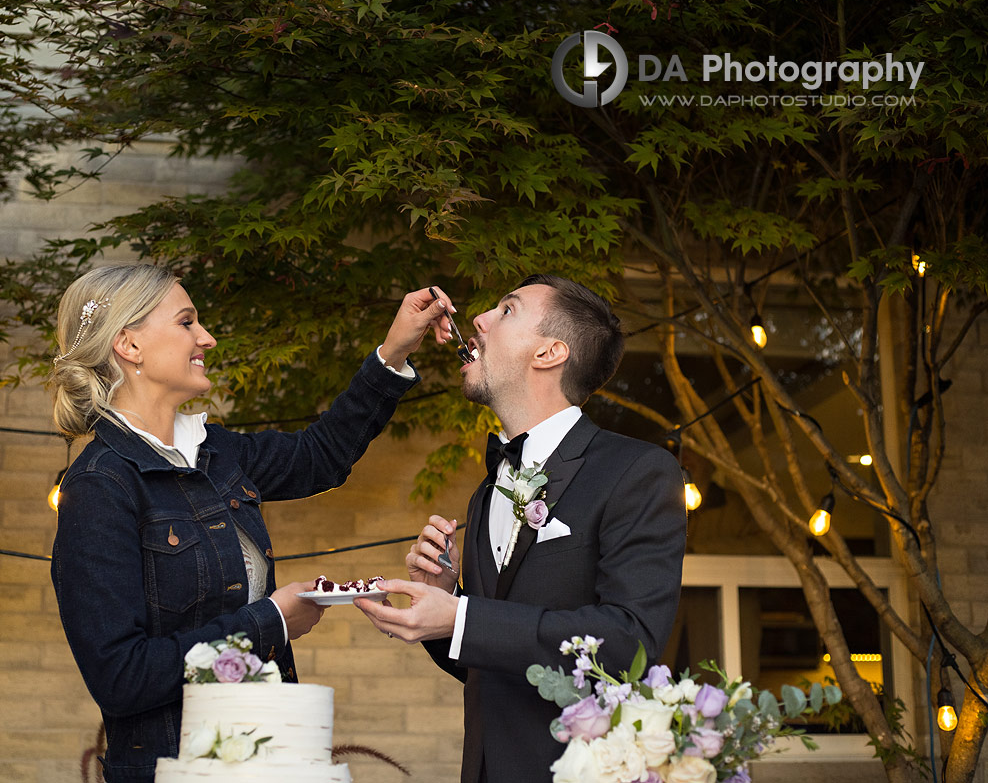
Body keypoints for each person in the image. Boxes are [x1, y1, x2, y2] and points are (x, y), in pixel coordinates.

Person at [48, 264, 457, 783]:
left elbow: (321, 456)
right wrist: (273, 622)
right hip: (175, 767)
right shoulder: (100, 486)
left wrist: (393, 351)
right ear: (129, 345)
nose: (207, 337)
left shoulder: (216, 452)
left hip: (272, 749)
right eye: (186, 322)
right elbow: (121, 676)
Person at [355, 274, 687, 783]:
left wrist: (463, 616)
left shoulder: (637, 471)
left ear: (551, 352)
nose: (479, 321)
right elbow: (493, 668)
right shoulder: (486, 492)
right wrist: (445, 607)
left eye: (505, 311)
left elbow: (628, 643)